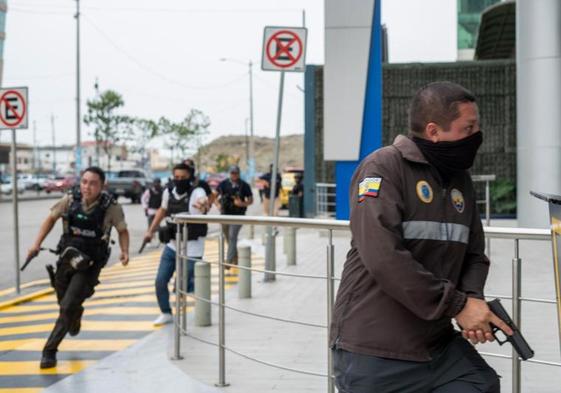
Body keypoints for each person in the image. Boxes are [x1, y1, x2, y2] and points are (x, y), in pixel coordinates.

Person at [330, 82, 513, 393]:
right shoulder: (383, 168)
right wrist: (457, 306)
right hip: (375, 349)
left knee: (481, 385)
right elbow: (383, 256)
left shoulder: (459, 180)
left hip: (436, 346)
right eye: (468, 128)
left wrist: (472, 302)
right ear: (433, 131)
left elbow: (474, 253)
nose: (477, 137)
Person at [26, 167, 130, 369]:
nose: (87, 187)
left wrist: (125, 251)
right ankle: (76, 314)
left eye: (92, 183)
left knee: (67, 305)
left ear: (102, 186)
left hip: (89, 265)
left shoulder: (111, 207)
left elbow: (123, 230)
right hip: (67, 259)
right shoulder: (70, 199)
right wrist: (36, 244)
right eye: (84, 182)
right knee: (64, 301)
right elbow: (50, 219)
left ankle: (49, 351)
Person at [144, 163, 208, 326]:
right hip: (172, 245)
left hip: (193, 247)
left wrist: (203, 205)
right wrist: (150, 231)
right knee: (160, 281)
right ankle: (166, 312)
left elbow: (203, 201)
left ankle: (194, 303)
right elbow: (162, 210)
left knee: (185, 283)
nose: (179, 181)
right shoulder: (168, 191)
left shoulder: (196, 191)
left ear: (190, 178)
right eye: (176, 177)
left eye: (183, 178)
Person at [215, 165, 253, 268]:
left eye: (236, 173)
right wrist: (218, 205)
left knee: (232, 236)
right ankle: (235, 257)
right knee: (229, 238)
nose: (234, 175)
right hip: (225, 214)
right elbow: (214, 195)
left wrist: (242, 204)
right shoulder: (223, 184)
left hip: (238, 215)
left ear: (239, 174)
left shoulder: (244, 185)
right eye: (232, 173)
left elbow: (250, 200)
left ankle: (228, 261)